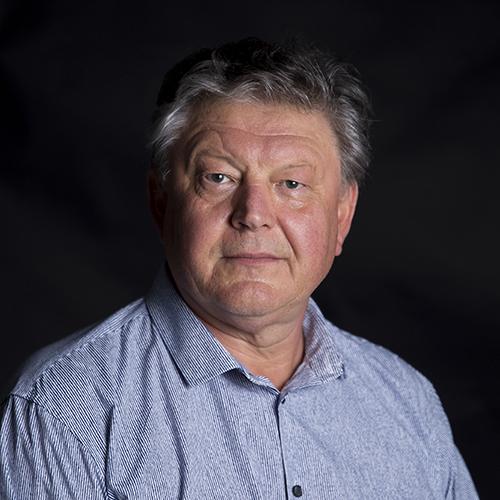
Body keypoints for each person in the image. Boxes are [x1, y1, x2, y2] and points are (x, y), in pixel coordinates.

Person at [0, 38, 478, 499]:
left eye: (292, 183)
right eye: (219, 177)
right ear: (161, 203)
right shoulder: (66, 407)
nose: (253, 214)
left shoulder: (408, 402)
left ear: (342, 215)